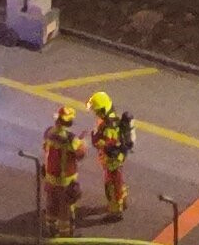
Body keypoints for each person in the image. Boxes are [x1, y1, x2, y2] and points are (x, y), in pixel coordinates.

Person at [88, 90, 133, 221]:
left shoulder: (109, 126)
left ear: (103, 110)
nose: (95, 113)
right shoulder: (112, 120)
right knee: (118, 181)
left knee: (111, 186)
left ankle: (115, 212)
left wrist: (97, 141)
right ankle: (122, 200)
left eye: (97, 111)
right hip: (115, 159)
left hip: (112, 160)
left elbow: (108, 144)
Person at [39, 103, 84, 235]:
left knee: (51, 203)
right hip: (65, 180)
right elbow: (80, 154)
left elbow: (46, 148)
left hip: (50, 176)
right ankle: (65, 232)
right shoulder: (71, 139)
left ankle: (50, 227)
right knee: (65, 207)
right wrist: (81, 142)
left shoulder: (49, 132)